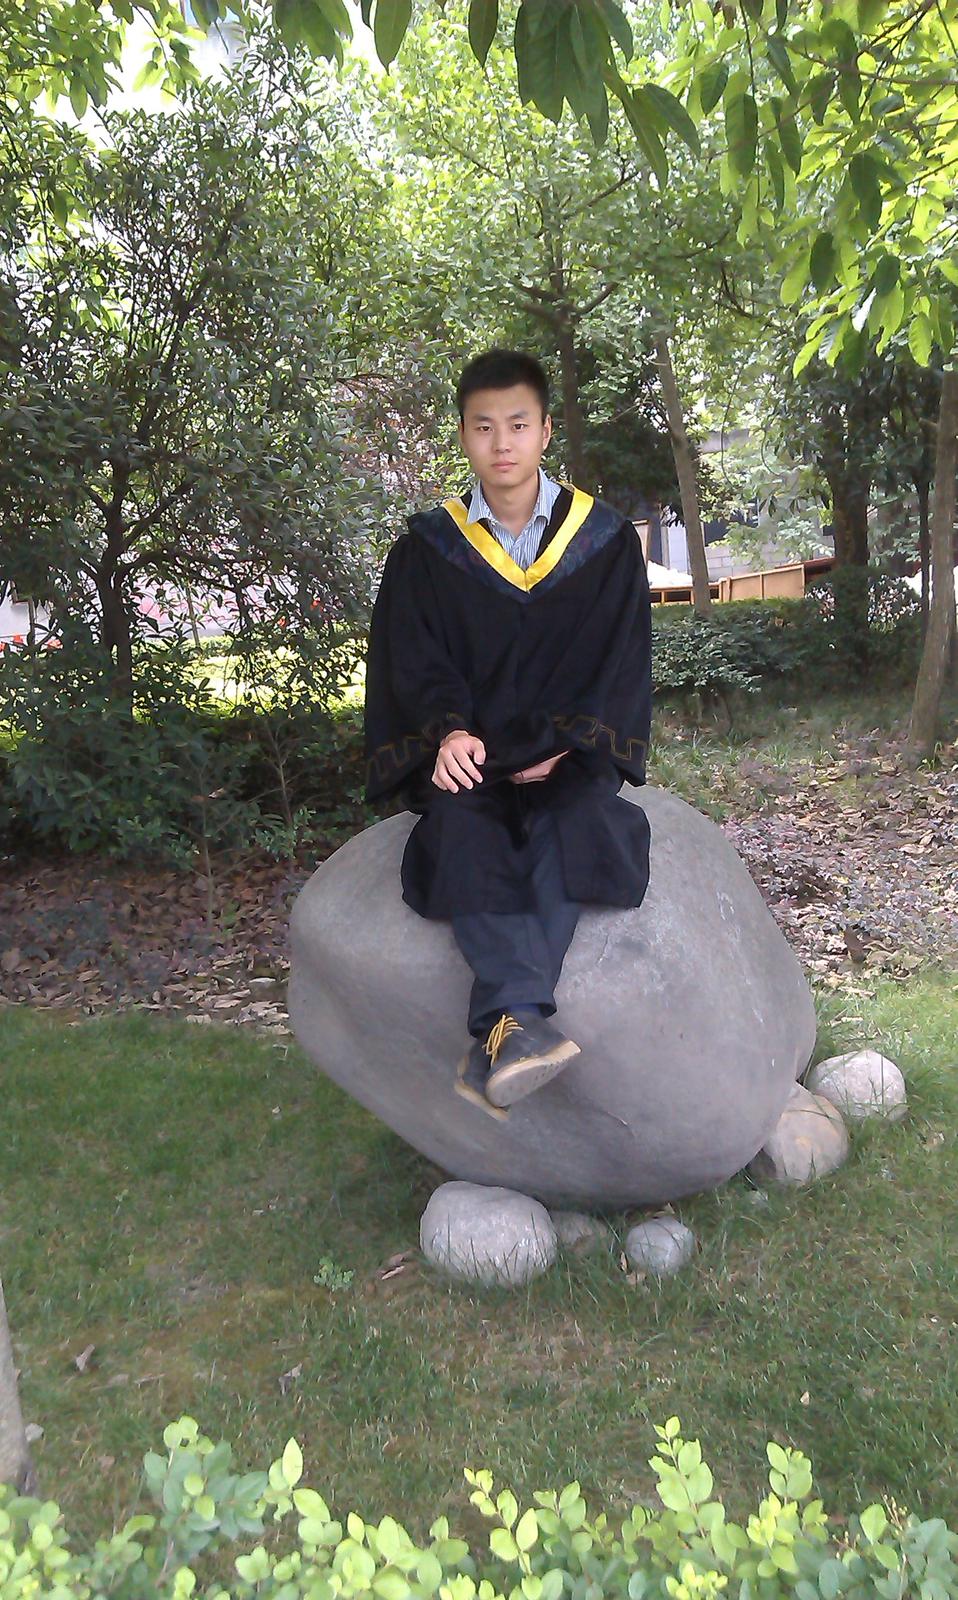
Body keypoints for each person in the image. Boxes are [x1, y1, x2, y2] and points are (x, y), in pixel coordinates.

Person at [364, 349, 652, 1118]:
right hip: (475, 758)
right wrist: (448, 733)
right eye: (484, 426)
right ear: (463, 435)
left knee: (574, 824)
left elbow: (618, 656)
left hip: (568, 755)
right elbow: (414, 656)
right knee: (462, 830)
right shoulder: (429, 548)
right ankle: (517, 1026)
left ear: (545, 431)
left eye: (518, 425)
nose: (502, 443)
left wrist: (570, 741)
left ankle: (503, 1027)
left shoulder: (604, 541)